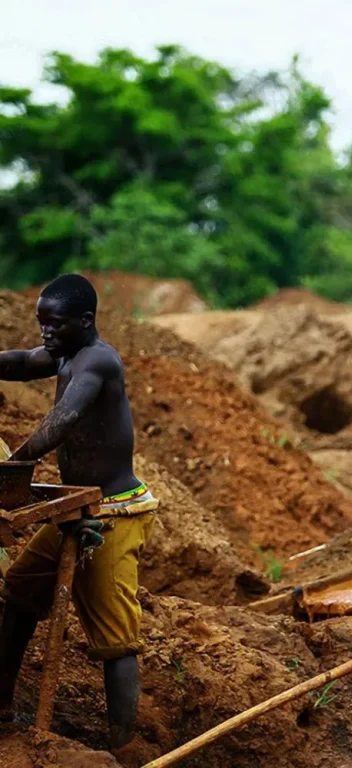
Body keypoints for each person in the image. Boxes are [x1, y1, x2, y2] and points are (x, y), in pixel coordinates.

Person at [0, 274, 158, 752]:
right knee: (22, 593)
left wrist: (13, 466)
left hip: (113, 511)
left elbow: (62, 419)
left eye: (55, 325)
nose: (45, 333)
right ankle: (3, 706)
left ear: (85, 321)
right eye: (41, 323)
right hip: (77, 503)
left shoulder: (97, 361)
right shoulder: (65, 351)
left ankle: (121, 746)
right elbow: (26, 362)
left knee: (115, 639)